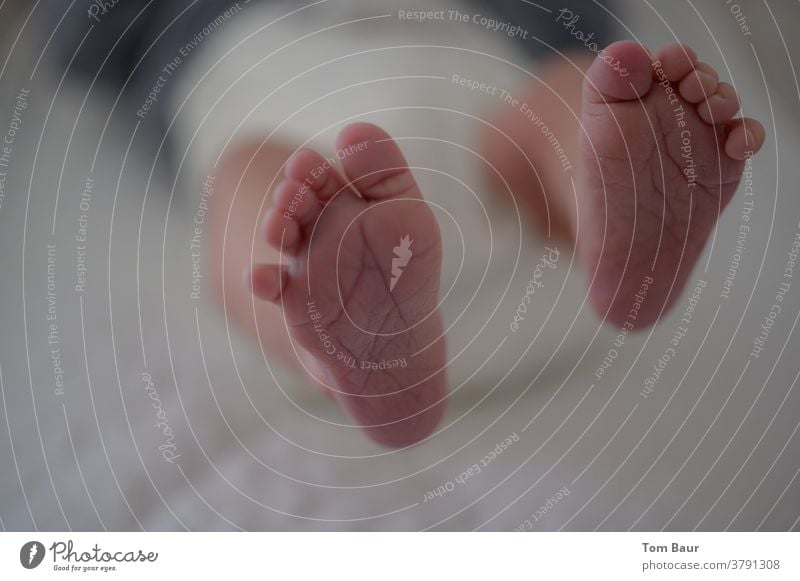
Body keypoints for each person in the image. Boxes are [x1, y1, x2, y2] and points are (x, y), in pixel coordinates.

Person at [42, 0, 765, 448]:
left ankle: (614, 208)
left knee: (253, 186)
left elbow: (83, 40)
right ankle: (338, 318)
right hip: (394, 62)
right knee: (257, 182)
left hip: (308, 61)